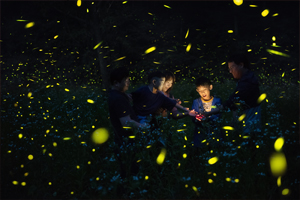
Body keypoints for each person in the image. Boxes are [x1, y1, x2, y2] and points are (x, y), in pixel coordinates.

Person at [203, 54, 262, 146]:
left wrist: (210, 112)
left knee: (249, 149)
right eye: (229, 69)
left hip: (250, 127)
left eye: (232, 68)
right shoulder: (247, 79)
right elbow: (236, 102)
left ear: (241, 65)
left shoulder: (247, 83)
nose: (230, 71)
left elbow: (232, 101)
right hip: (248, 125)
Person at [108, 67, 147, 185]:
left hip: (124, 140)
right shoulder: (118, 98)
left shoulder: (117, 95)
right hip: (125, 141)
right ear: (116, 83)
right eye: (126, 80)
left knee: (128, 169)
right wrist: (144, 126)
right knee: (129, 171)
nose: (128, 82)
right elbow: (126, 122)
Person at [131, 70, 197, 127]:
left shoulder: (162, 96)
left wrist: (186, 111)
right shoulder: (145, 91)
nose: (169, 85)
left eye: (171, 83)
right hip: (142, 120)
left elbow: (172, 106)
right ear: (155, 82)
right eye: (167, 82)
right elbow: (132, 97)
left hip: (160, 125)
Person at [191, 76, 222, 148]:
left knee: (216, 147)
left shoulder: (217, 101)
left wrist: (208, 118)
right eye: (200, 91)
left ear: (210, 87)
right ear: (197, 90)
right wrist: (198, 119)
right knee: (200, 148)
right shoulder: (196, 102)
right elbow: (193, 116)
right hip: (200, 132)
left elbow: (219, 114)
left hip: (215, 131)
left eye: (205, 89)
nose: (203, 93)